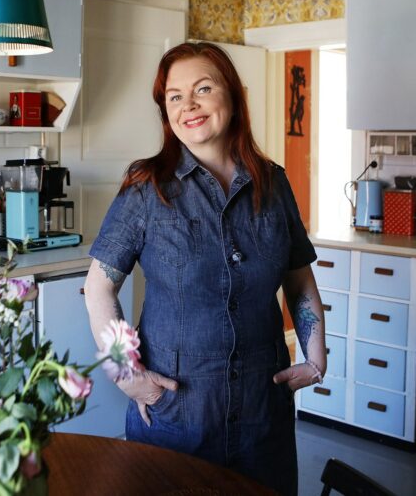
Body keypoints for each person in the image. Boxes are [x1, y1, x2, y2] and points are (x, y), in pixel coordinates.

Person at [83, 42, 327, 495]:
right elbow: (98, 288)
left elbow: (298, 277)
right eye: (174, 96)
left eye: (203, 88)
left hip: (263, 412)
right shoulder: (146, 187)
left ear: (232, 98)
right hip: (176, 413)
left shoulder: (273, 184)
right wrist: (126, 376)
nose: (187, 105)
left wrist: (316, 355)